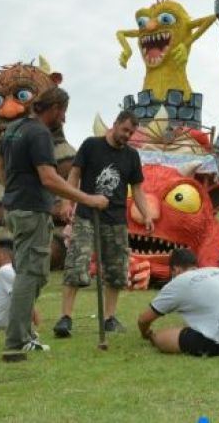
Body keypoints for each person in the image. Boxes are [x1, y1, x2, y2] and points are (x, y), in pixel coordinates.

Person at [0, 87, 108, 357]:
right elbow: (48, 178)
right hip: (31, 211)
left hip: (17, 209)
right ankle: (18, 339)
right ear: (55, 108)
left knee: (34, 272)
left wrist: (10, 188)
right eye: (64, 112)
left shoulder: (15, 128)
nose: (64, 119)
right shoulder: (40, 134)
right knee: (29, 274)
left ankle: (22, 333)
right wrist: (87, 199)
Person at [52, 110, 154, 338]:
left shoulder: (131, 156)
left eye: (131, 132)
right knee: (76, 265)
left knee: (117, 271)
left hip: (116, 219)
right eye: (125, 129)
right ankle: (65, 318)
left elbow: (137, 189)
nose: (127, 135)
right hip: (87, 215)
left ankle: (109, 318)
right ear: (115, 124)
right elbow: (74, 174)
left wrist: (146, 214)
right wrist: (68, 201)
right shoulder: (91, 145)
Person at [137, 248, 219, 356]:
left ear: (175, 270)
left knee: (162, 338)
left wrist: (147, 334)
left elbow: (144, 319)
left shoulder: (178, 282)